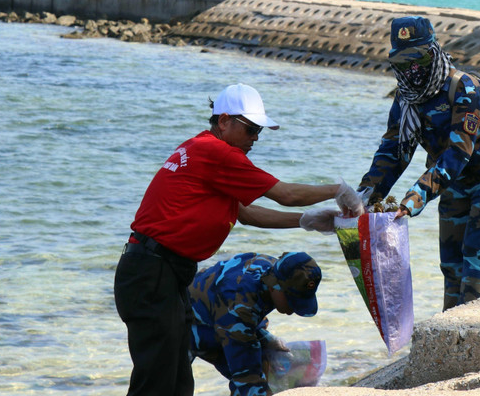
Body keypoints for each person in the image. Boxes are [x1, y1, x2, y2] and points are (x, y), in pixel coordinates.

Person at [114, 83, 363, 396]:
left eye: (259, 130)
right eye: (251, 129)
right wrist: (338, 189)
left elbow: (247, 214)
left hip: (163, 273)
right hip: (151, 273)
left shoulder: (203, 149)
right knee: (156, 381)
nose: (255, 138)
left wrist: (306, 221)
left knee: (177, 379)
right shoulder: (216, 152)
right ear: (224, 121)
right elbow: (285, 194)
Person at [357, 16, 480, 310]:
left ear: (434, 51)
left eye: (419, 59)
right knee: (451, 268)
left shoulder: (465, 87)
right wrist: (364, 197)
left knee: (479, 273)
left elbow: (458, 152)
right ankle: (453, 344)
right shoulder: (405, 99)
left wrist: (414, 198)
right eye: (403, 63)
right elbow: (393, 152)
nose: (412, 70)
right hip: (454, 179)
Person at [189, 251, 321, 396]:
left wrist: (265, 337)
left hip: (219, 315)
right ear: (274, 286)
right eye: (292, 301)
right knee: (171, 384)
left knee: (261, 358)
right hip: (182, 323)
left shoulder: (274, 268)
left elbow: (250, 312)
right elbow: (247, 375)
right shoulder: (239, 303)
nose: (293, 310)